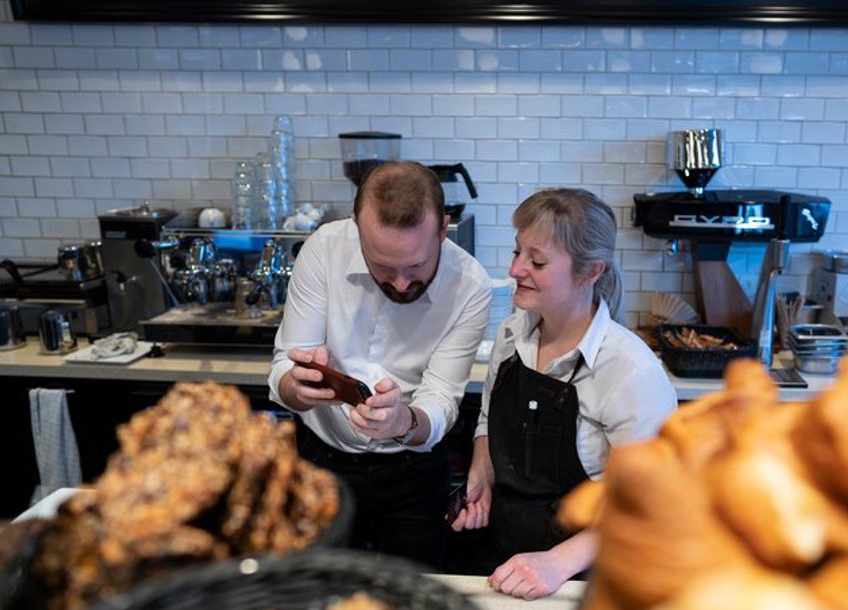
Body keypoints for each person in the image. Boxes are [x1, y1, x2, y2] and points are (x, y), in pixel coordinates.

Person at [450, 188, 677, 598]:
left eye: (536, 261)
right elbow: (486, 419)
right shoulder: (510, 336)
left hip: (587, 580)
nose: (516, 270)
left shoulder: (630, 370)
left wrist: (557, 562)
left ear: (590, 272)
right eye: (517, 253)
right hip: (500, 562)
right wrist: (480, 474)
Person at [268, 161, 492, 568]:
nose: (401, 283)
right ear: (356, 227)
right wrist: (296, 388)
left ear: (443, 229)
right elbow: (285, 366)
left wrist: (402, 422)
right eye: (384, 266)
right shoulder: (323, 251)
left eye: (416, 265)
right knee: (322, 592)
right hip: (323, 464)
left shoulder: (471, 286)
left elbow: (441, 401)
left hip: (416, 475)